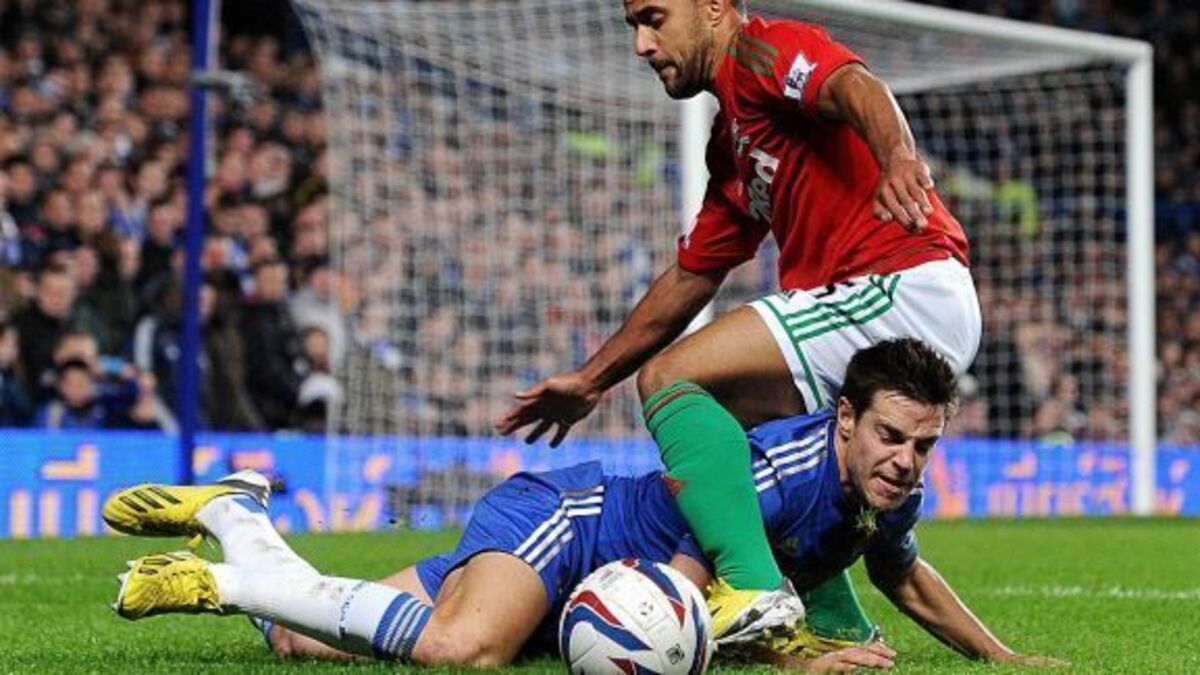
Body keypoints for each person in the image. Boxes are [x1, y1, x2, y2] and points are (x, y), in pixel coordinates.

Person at [104, 341, 1055, 670]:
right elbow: (682, 600)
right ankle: (224, 584)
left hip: (586, 581)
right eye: (891, 435)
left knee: (298, 641)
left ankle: (238, 515)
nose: (905, 460)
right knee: (462, 648)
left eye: (923, 444)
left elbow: (906, 578)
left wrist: (1005, 658)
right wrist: (799, 657)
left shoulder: (887, 488)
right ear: (846, 418)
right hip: (567, 528)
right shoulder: (779, 470)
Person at [497, 0, 980, 648]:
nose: (642, 45)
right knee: (747, 439)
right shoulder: (733, 146)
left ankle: (754, 590)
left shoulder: (762, 52)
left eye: (654, 18)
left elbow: (855, 84)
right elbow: (693, 274)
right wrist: (591, 379)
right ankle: (834, 623)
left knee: (670, 379)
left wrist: (896, 157)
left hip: (903, 284)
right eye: (633, 26)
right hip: (886, 301)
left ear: (714, 8)